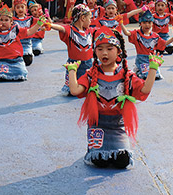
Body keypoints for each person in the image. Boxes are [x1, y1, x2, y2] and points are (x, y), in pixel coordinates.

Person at [65, 26, 161, 169]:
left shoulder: (126, 75)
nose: (104, 53)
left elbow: (144, 90)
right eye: (100, 49)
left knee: (122, 161)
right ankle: (94, 149)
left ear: (118, 52)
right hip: (97, 125)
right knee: (99, 161)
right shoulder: (91, 74)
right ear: (95, 52)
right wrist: (72, 72)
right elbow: (75, 90)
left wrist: (153, 69)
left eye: (110, 48)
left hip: (118, 126)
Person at [0, 4, 42, 81]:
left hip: (16, 60)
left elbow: (29, 32)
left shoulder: (16, 30)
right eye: (1, 20)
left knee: (21, 73)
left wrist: (38, 24)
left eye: (6, 20)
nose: (3, 22)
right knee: (1, 75)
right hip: (2, 61)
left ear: (11, 22)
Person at [50, 4, 96, 95]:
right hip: (74, 65)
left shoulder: (89, 31)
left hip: (88, 64)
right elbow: (61, 28)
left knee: (88, 88)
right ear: (83, 18)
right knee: (72, 90)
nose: (91, 21)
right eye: (89, 18)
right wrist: (50, 25)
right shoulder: (70, 30)